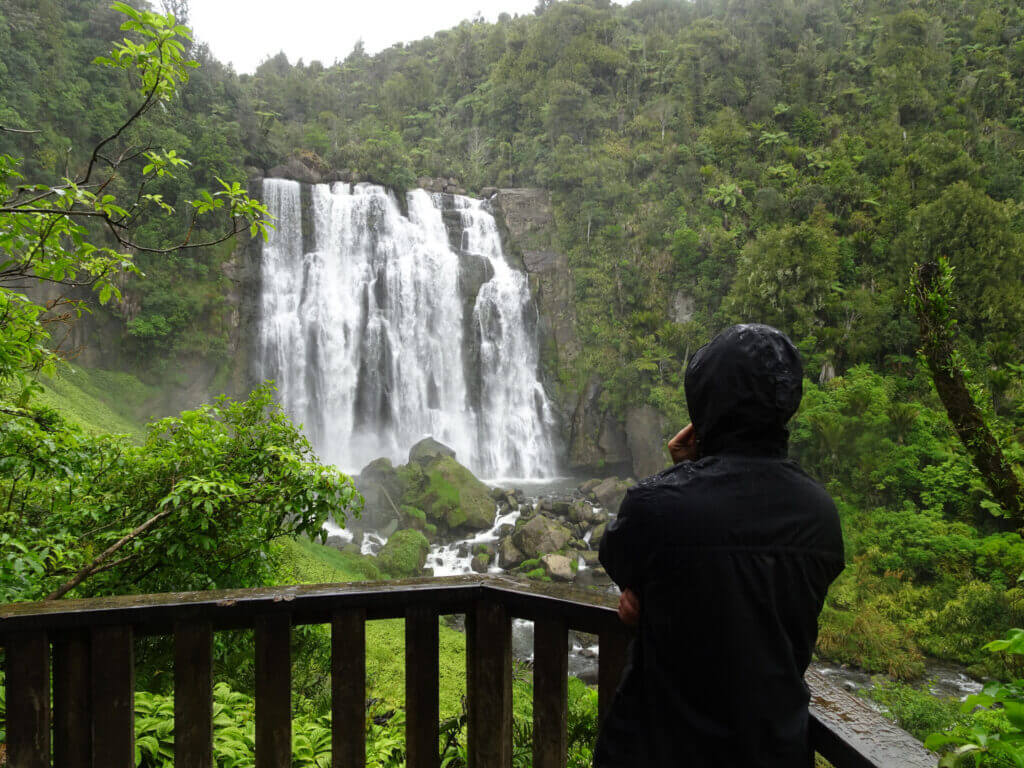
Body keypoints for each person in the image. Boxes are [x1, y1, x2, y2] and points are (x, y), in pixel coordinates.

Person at [594, 323, 844, 768]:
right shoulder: (820, 515)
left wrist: (689, 470)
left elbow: (622, 558)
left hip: (661, 748)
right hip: (770, 751)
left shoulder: (656, 507)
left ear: (704, 403)